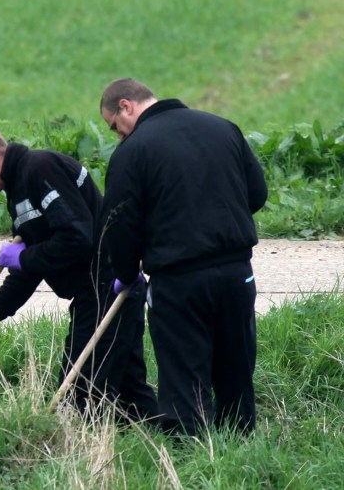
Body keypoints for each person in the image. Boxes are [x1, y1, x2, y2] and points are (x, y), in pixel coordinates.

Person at [0, 123, 158, 423]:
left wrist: (26, 257)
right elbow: (30, 269)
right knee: (128, 394)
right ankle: (174, 444)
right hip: (94, 292)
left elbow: (78, 238)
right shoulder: (18, 189)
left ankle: (81, 457)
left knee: (79, 395)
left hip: (108, 288)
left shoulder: (40, 169)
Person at [98, 78, 267, 437]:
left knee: (184, 378)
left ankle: (192, 462)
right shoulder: (223, 128)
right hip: (238, 273)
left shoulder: (132, 152)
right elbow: (257, 193)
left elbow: (120, 224)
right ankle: (240, 454)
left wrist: (126, 272)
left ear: (126, 106)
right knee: (236, 369)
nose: (119, 135)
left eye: (115, 126)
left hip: (178, 281)